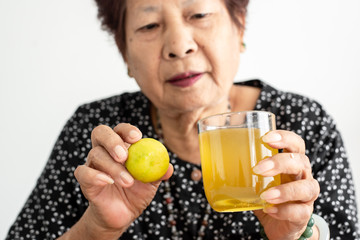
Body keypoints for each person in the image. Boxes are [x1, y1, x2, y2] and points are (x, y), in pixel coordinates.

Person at [6, 0, 360, 239]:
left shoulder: (302, 125)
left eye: (199, 15)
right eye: (149, 25)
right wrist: (96, 229)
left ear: (240, 29)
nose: (178, 44)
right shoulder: (100, 134)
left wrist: (297, 234)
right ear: (124, 54)